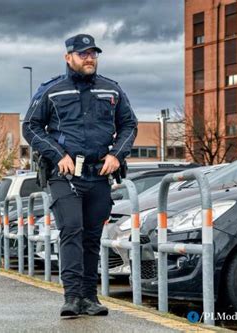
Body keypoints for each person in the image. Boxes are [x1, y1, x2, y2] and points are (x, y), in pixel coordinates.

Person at [22, 34, 138, 318]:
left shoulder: (111, 90)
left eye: (93, 54)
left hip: (98, 174)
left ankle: (89, 297)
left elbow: (129, 124)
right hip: (65, 175)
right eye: (83, 53)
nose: (89, 58)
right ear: (68, 57)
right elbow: (31, 127)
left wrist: (116, 155)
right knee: (71, 230)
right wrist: (57, 154)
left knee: (91, 237)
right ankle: (72, 297)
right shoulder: (52, 90)